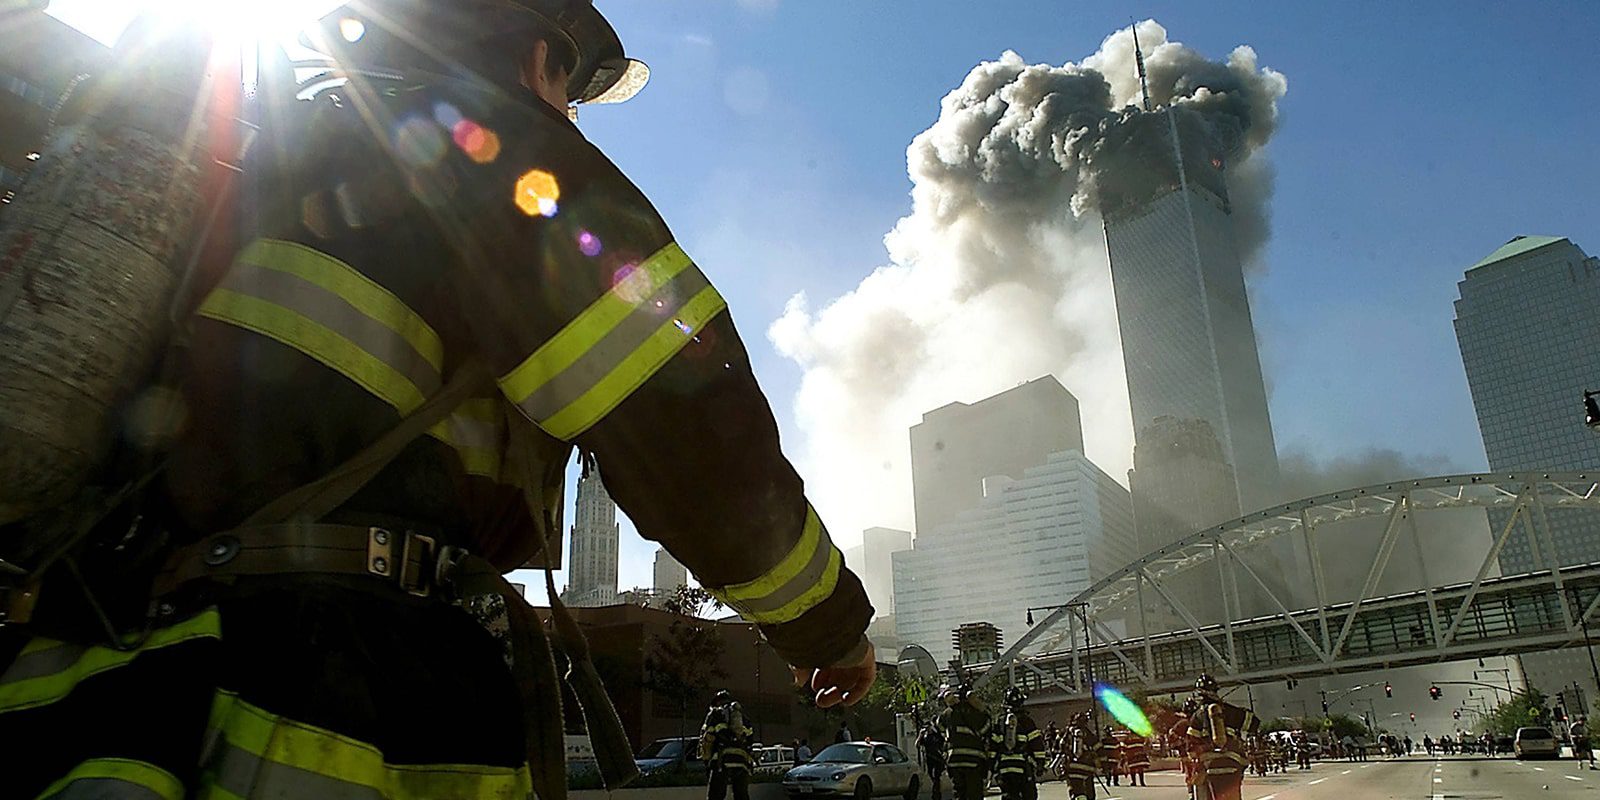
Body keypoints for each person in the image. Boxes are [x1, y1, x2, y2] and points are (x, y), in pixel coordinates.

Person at [0, 2, 880, 797]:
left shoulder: (271, 156)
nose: (569, 114)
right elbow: (686, 427)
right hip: (326, 693)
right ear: (540, 56)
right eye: (570, 89)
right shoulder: (498, 154)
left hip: (99, 680)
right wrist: (826, 626)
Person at [1186, 674, 1259, 800]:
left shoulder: (1197, 716)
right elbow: (1254, 723)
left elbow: (1191, 748)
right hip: (1233, 764)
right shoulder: (1230, 710)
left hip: (1211, 768)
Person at [939, 683, 992, 800]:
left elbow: (939, 726)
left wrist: (949, 737)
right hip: (973, 760)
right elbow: (986, 729)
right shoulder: (977, 714)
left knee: (959, 792)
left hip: (954, 760)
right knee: (974, 794)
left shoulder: (948, 713)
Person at [704, 690, 754, 800]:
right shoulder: (744, 718)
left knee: (716, 794)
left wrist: (706, 759)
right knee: (741, 795)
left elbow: (707, 738)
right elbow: (750, 740)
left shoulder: (715, 714)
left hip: (721, 760)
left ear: (717, 702)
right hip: (742, 762)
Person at [1063, 713, 1100, 800]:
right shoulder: (1088, 734)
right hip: (1087, 768)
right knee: (1089, 792)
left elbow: (1059, 747)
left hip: (1071, 768)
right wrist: (1103, 765)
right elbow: (1098, 748)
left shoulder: (1066, 733)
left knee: (1075, 790)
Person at [918, 720, 949, 800]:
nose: (927, 729)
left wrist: (944, 753)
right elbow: (917, 744)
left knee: (936, 776)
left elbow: (944, 741)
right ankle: (936, 791)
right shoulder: (925, 736)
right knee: (931, 775)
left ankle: (936, 795)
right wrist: (920, 735)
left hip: (937, 758)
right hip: (929, 758)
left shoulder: (936, 735)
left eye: (928, 727)